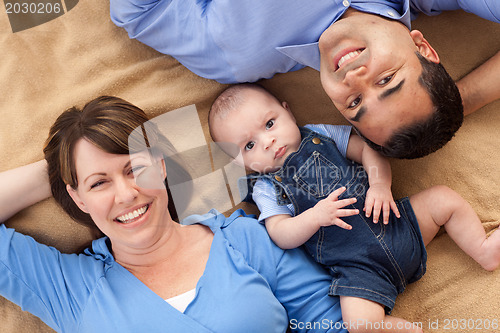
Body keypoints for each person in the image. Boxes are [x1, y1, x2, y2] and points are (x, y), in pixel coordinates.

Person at [0, 96, 350, 332]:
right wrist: (62, 165)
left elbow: (330, 324)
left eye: (135, 168)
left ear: (161, 165)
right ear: (77, 199)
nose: (126, 194)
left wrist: (88, 171)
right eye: (98, 184)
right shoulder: (70, 289)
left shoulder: (245, 241)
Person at [208, 84, 500, 333]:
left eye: (270, 124)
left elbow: (368, 150)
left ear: (288, 111)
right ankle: (397, 326)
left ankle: (484, 249)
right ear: (239, 162)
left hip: (399, 224)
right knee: (358, 323)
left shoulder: (320, 133)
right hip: (359, 270)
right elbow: (280, 233)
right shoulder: (266, 188)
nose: (268, 141)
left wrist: (380, 186)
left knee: (443, 199)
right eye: (249, 146)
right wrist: (314, 217)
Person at [109, 0, 500, 159]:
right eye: (386, 80)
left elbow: (136, 12)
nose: (353, 80)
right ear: (424, 48)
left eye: (353, 104)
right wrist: (459, 101)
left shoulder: (234, 53)